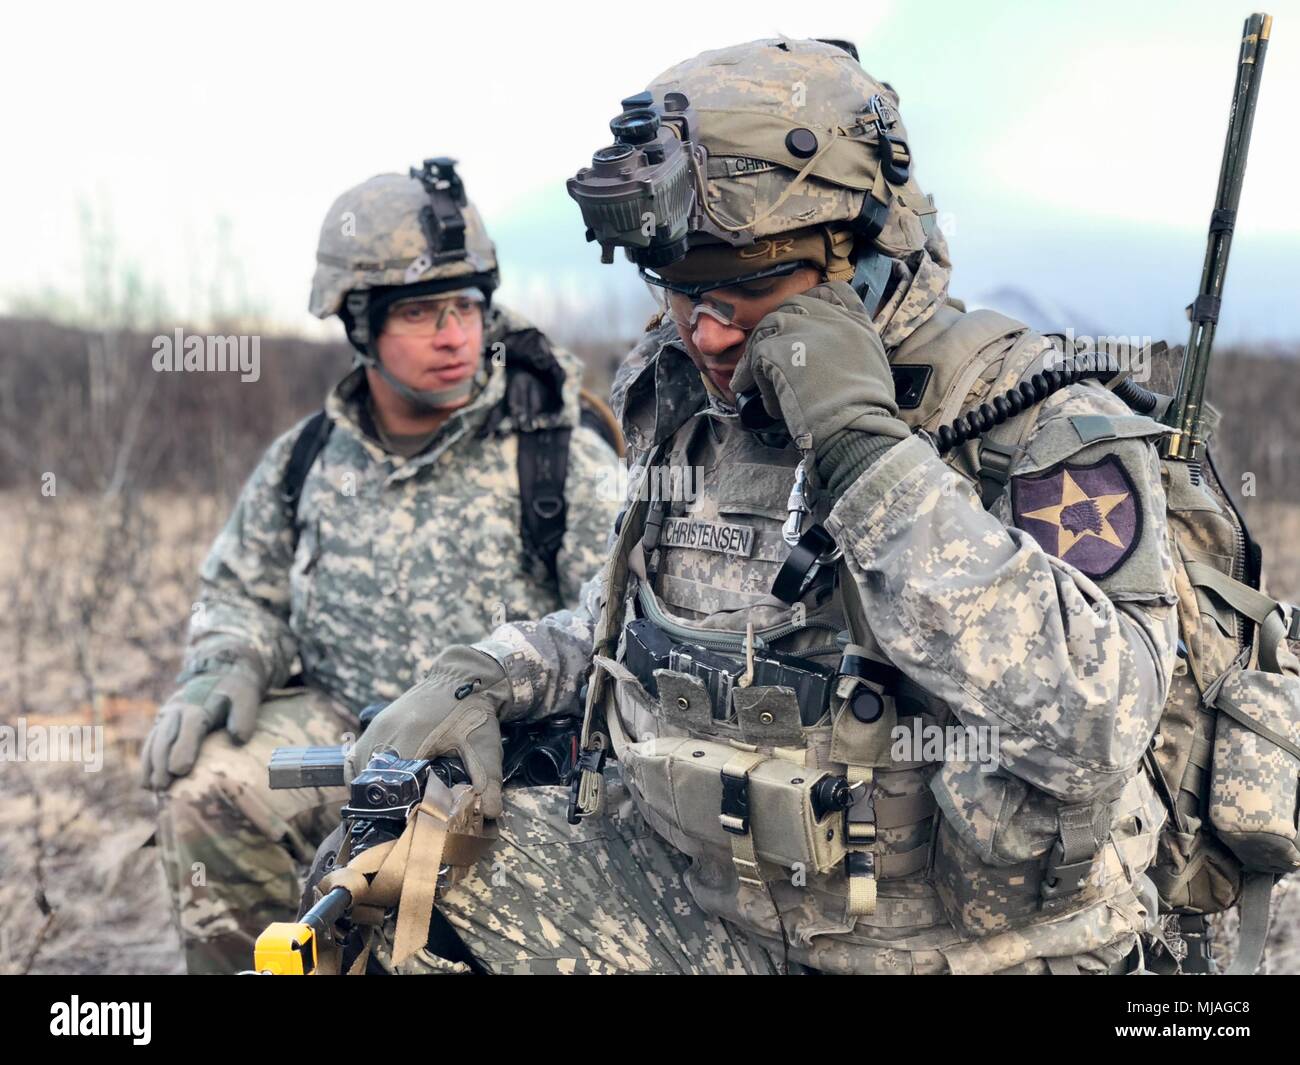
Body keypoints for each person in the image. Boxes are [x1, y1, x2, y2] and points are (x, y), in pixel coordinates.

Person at [348, 40, 1179, 975]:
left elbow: (1101, 726)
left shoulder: (1039, 418)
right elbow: (628, 615)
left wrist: (868, 457)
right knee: (392, 883)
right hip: (705, 919)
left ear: (855, 257)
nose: (704, 328)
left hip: (965, 952)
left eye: (747, 288)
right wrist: (485, 673)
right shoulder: (689, 389)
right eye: (680, 288)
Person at [142, 158, 621, 974]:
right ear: (360, 323)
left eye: (468, 306)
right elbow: (241, 592)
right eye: (422, 311)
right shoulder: (306, 458)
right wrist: (226, 661)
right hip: (344, 728)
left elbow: (610, 620)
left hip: (491, 750)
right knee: (211, 793)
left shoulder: (556, 452)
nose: (455, 334)